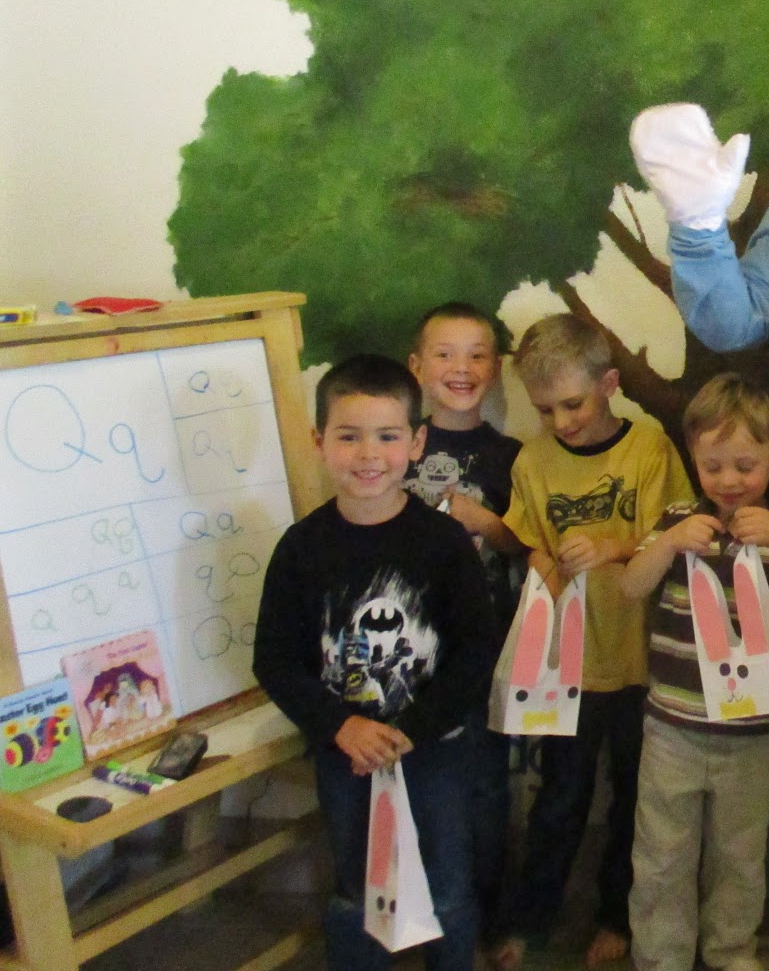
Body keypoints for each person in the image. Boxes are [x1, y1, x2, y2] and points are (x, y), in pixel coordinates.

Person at [253, 354, 496, 971]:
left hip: (436, 751)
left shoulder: (443, 544)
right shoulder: (301, 548)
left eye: (387, 436)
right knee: (357, 888)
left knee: (447, 886)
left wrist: (411, 731)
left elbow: (476, 651)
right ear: (319, 441)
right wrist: (341, 726)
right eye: (349, 436)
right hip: (348, 756)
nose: (368, 454)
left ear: (416, 443)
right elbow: (274, 660)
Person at [496, 313, 693, 970]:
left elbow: (677, 538)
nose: (561, 422)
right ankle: (532, 920)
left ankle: (619, 917)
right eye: (544, 410)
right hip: (570, 671)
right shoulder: (533, 461)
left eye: (573, 405)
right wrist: (547, 567)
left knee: (637, 800)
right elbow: (531, 545)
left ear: (609, 385)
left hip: (644, 662)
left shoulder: (650, 450)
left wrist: (613, 547)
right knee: (559, 800)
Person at [621, 372, 769, 971]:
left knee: (739, 856)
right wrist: (668, 543)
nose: (729, 480)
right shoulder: (677, 518)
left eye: (745, 465)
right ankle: (660, 956)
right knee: (661, 854)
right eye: (713, 466)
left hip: (750, 734)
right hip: (672, 726)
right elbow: (632, 585)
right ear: (693, 458)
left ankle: (730, 950)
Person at [404, 302, 526, 950]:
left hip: (483, 651)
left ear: (497, 367)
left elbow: (529, 548)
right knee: (413, 786)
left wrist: (489, 524)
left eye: (477, 354)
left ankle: (486, 921)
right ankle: (417, 919)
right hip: (406, 656)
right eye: (445, 354)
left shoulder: (512, 456)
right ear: (417, 367)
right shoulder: (398, 444)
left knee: (484, 788)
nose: (462, 368)